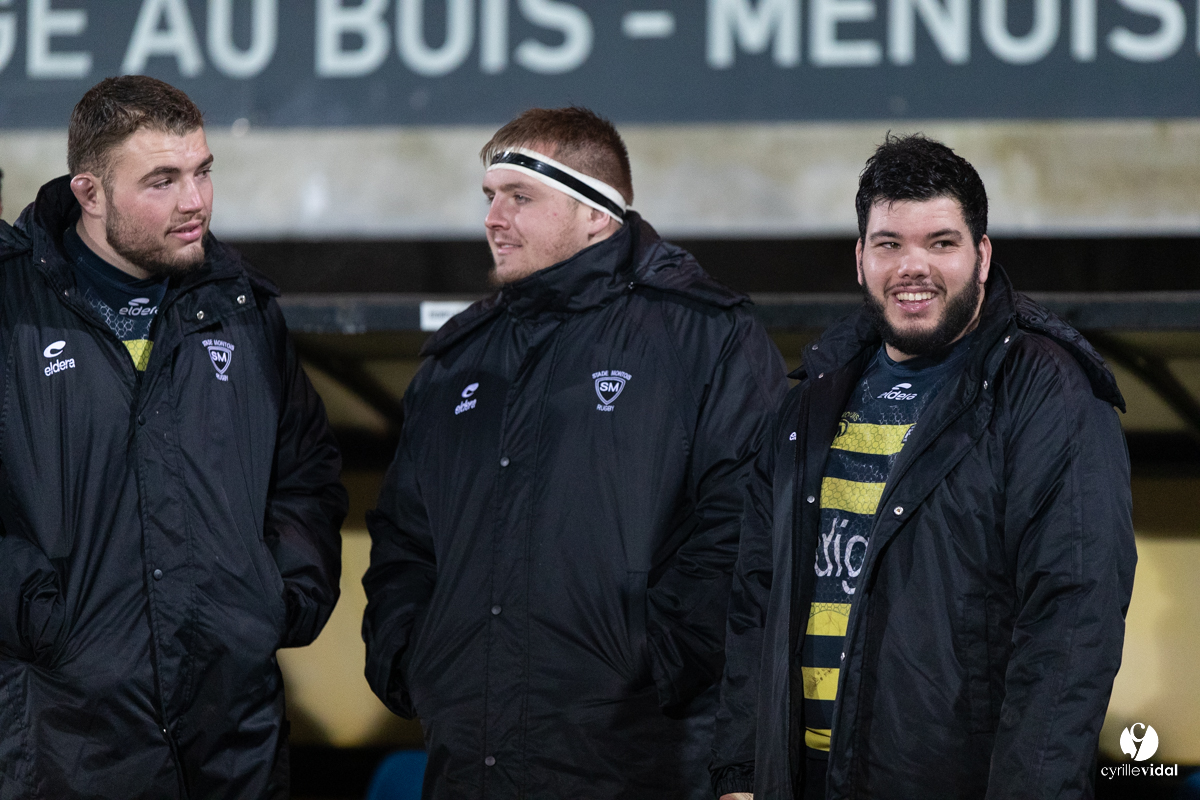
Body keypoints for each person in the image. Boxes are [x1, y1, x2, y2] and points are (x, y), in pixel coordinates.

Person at [363, 107, 787, 799]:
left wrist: (653, 662)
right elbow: (405, 539)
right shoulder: (457, 358)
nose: (493, 219)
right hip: (469, 757)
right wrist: (416, 658)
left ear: (595, 214)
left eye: (520, 198)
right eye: (489, 197)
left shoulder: (704, 336)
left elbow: (746, 528)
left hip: (640, 759)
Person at [711, 134, 1136, 800]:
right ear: (860, 258)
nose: (914, 266)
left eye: (941, 243)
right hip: (799, 778)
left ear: (982, 256)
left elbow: (1073, 624)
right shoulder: (811, 397)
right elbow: (755, 602)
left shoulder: (1047, 391)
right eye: (889, 244)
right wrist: (740, 771)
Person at [0, 76, 346, 798]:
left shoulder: (243, 307)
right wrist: (35, 614)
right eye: (162, 181)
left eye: (202, 171)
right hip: (63, 738)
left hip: (233, 741)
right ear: (90, 193)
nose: (195, 201)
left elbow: (305, 472)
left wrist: (274, 597)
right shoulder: (11, 308)